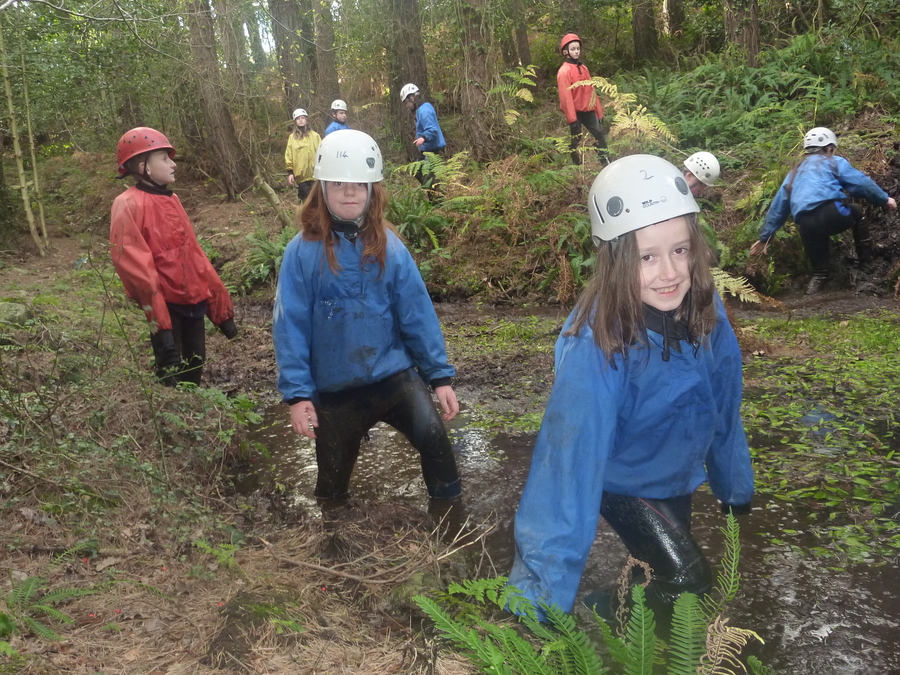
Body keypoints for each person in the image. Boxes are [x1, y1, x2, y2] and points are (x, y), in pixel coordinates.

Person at [507, 154, 754, 625]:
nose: (669, 272)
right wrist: (535, 604)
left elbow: (724, 402)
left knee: (656, 578)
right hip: (621, 479)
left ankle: (622, 628)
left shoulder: (706, 310)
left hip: (674, 473)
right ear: (617, 257)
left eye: (680, 250)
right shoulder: (597, 342)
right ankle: (590, 619)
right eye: (647, 256)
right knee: (689, 581)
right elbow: (566, 465)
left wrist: (733, 484)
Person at [273, 129, 462, 502]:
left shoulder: (389, 246)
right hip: (335, 391)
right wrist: (298, 396)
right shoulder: (300, 253)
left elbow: (416, 314)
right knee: (330, 489)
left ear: (372, 190)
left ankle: (452, 519)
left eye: (359, 185)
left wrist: (439, 377)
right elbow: (289, 327)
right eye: (340, 184)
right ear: (322, 188)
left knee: (437, 444)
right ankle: (333, 538)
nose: (349, 192)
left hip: (393, 378)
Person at [110, 127, 238, 387]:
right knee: (171, 377)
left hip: (193, 303)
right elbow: (138, 271)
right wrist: (162, 332)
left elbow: (194, 257)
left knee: (195, 368)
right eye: (164, 158)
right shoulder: (128, 204)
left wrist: (221, 312)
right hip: (167, 308)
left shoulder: (173, 199)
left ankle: (197, 417)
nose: (173, 164)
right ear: (143, 166)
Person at [750, 126, 897, 295]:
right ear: (830, 148)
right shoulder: (834, 161)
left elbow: (778, 206)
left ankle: (816, 284)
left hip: (805, 222)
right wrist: (884, 199)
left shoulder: (794, 172)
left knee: (816, 252)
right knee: (857, 211)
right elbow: (860, 183)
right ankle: (867, 261)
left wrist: (765, 237)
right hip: (831, 213)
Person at [557, 33, 607, 166]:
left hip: (588, 110)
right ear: (566, 51)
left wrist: (599, 112)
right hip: (575, 113)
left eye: (577, 49)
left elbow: (592, 92)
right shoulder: (564, 71)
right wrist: (572, 119)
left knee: (599, 134)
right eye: (573, 49)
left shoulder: (584, 68)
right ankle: (576, 165)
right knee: (576, 139)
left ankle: (605, 161)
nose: (576, 51)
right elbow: (565, 97)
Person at [400, 83, 447, 190]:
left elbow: (432, 129)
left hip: (432, 150)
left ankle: (437, 200)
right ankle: (434, 198)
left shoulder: (424, 110)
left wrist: (423, 138)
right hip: (426, 150)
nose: (406, 106)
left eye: (406, 103)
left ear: (411, 98)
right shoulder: (420, 110)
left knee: (429, 178)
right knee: (418, 171)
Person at [285, 108, 322, 202]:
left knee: (318, 200)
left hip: (316, 176)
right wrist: (290, 173)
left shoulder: (315, 136)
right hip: (302, 177)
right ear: (295, 122)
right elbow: (289, 155)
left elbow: (322, 153)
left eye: (302, 118)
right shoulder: (292, 138)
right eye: (298, 118)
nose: (301, 120)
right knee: (306, 201)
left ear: (307, 120)